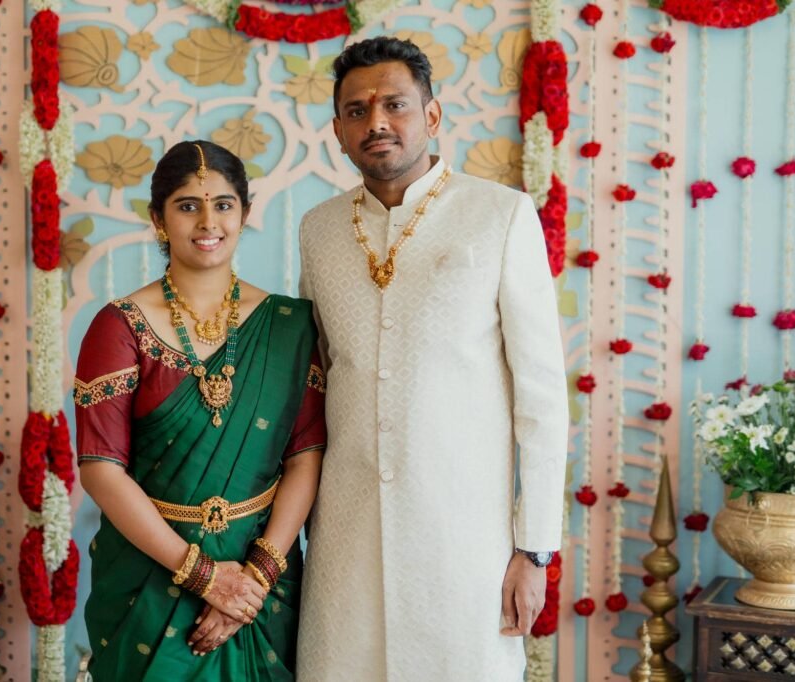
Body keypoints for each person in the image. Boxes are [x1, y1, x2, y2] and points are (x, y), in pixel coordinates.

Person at [296, 37, 568, 680]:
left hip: (465, 540)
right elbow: (313, 378)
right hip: (345, 536)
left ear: (433, 115)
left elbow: (542, 398)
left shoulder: (499, 215)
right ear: (337, 130)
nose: (377, 123)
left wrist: (533, 552)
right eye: (357, 111)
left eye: (395, 104)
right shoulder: (318, 228)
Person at [75, 140, 326, 681]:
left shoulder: (289, 324)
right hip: (150, 574)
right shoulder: (119, 326)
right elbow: (100, 468)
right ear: (158, 219)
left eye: (224, 204)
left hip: (264, 580)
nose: (208, 221)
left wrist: (253, 578)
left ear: (245, 213)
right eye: (188, 205)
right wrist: (205, 577)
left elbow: (307, 455)